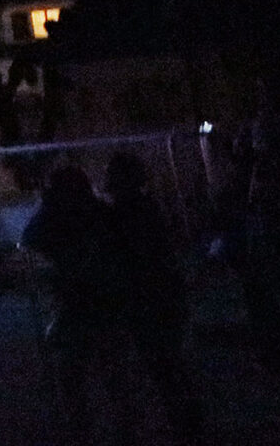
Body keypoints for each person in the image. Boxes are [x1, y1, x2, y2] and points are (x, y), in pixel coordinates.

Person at [103, 151, 204, 438]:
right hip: (164, 292)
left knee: (160, 364)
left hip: (144, 297)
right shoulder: (149, 208)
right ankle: (188, 420)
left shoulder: (119, 216)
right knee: (172, 360)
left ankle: (182, 421)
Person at [22, 164, 117, 432]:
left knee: (72, 367)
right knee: (108, 364)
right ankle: (120, 420)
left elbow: (30, 241)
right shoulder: (97, 211)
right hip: (101, 296)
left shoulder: (53, 215)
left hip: (74, 298)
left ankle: (79, 422)